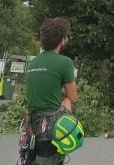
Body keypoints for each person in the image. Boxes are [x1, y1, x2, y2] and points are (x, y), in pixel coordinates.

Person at [23, 17, 77, 165]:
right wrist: (63, 95)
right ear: (63, 40)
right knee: (67, 100)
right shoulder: (65, 62)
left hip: (31, 127)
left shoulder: (33, 62)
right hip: (50, 127)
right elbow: (73, 96)